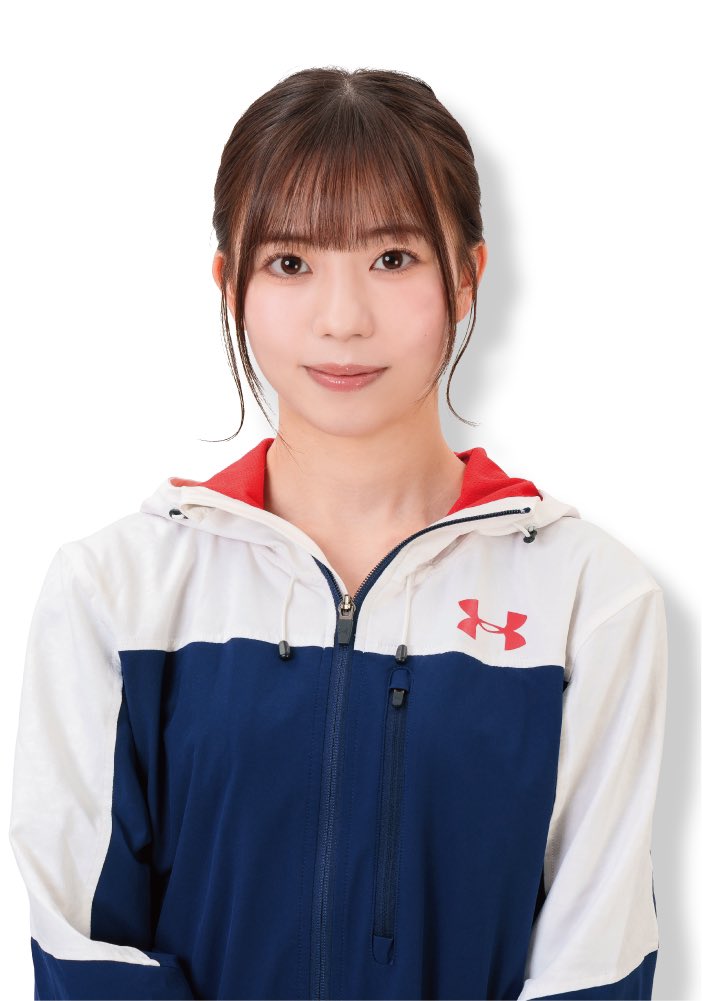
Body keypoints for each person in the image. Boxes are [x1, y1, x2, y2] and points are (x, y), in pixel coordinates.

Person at [8, 66, 667, 1001]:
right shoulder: (118, 591)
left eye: (392, 258)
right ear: (230, 284)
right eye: (291, 263)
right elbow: (82, 952)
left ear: (467, 277)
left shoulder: (589, 599)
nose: (343, 319)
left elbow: (596, 963)